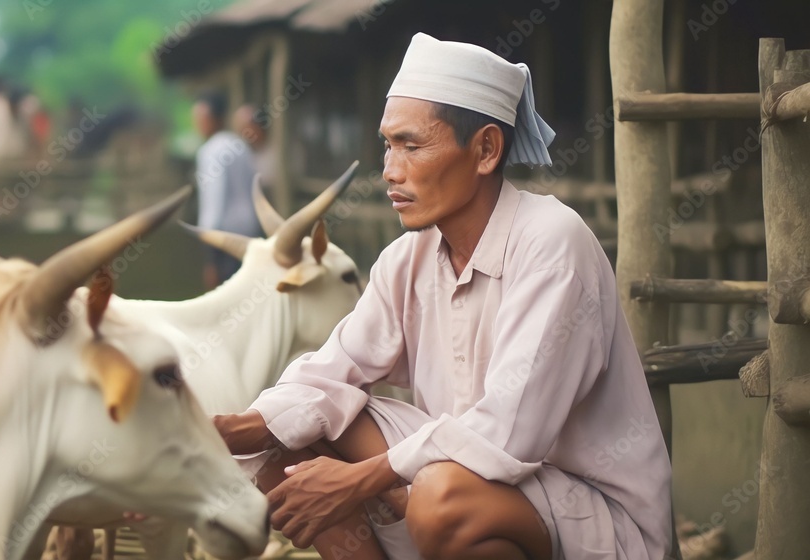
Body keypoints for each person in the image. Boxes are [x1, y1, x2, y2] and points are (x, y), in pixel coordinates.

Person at [214, 33, 673, 560]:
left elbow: (506, 434)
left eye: (412, 145)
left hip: (591, 520)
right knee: (286, 438)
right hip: (459, 481)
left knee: (437, 498)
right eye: (388, 145)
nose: (390, 168)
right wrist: (229, 430)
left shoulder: (551, 242)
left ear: (485, 150)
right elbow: (327, 372)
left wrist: (358, 481)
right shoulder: (406, 259)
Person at [192, 92, 261, 288]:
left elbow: (214, 200)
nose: (198, 124)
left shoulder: (210, 151)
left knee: (225, 292)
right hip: (249, 231)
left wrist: (211, 259)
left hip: (224, 238)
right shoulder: (241, 145)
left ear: (213, 119)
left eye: (200, 119)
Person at [233, 103, 278, 189]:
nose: (243, 135)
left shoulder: (278, 150)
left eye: (246, 129)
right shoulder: (244, 153)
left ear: (258, 126)